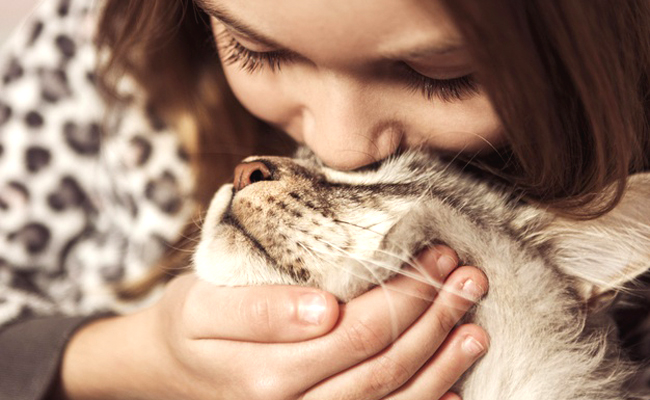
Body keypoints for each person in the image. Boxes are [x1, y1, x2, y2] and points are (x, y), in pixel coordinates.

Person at [0, 1, 648, 400]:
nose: (339, 148)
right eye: (255, 49)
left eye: (442, 75)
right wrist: (138, 359)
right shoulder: (84, 57)